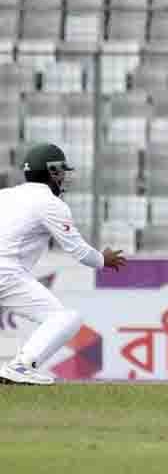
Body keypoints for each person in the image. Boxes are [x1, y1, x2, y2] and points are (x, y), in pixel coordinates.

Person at [0, 144, 126, 386]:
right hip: (7, 272)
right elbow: (79, 252)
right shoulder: (50, 203)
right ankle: (21, 366)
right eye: (62, 172)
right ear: (53, 172)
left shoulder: (5, 195)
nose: (64, 178)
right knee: (64, 317)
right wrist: (103, 259)